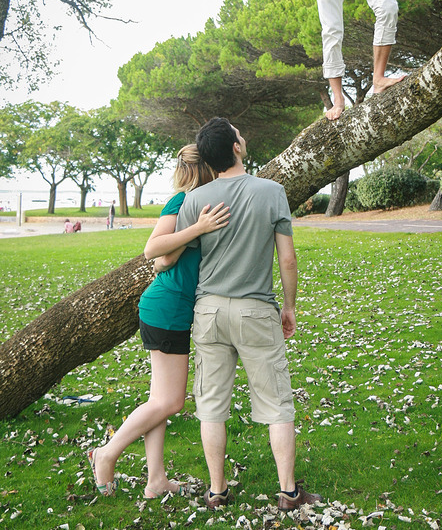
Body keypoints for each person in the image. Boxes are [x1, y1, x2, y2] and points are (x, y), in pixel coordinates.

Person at [176, 117, 321, 511]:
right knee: (277, 403)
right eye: (240, 133)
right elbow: (287, 260)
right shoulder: (271, 191)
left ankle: (217, 491)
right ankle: (289, 492)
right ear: (236, 148)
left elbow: (175, 255)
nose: (243, 136)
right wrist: (289, 307)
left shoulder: (194, 200)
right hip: (256, 310)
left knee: (211, 404)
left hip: (208, 312)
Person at [86, 144, 230, 498]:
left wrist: (182, 244)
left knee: (159, 400)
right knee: (171, 402)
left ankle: (156, 481)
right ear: (208, 168)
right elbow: (152, 250)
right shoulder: (183, 202)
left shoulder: (198, 205)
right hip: (167, 307)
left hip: (171, 307)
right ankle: (106, 454)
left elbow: (164, 260)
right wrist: (197, 229)